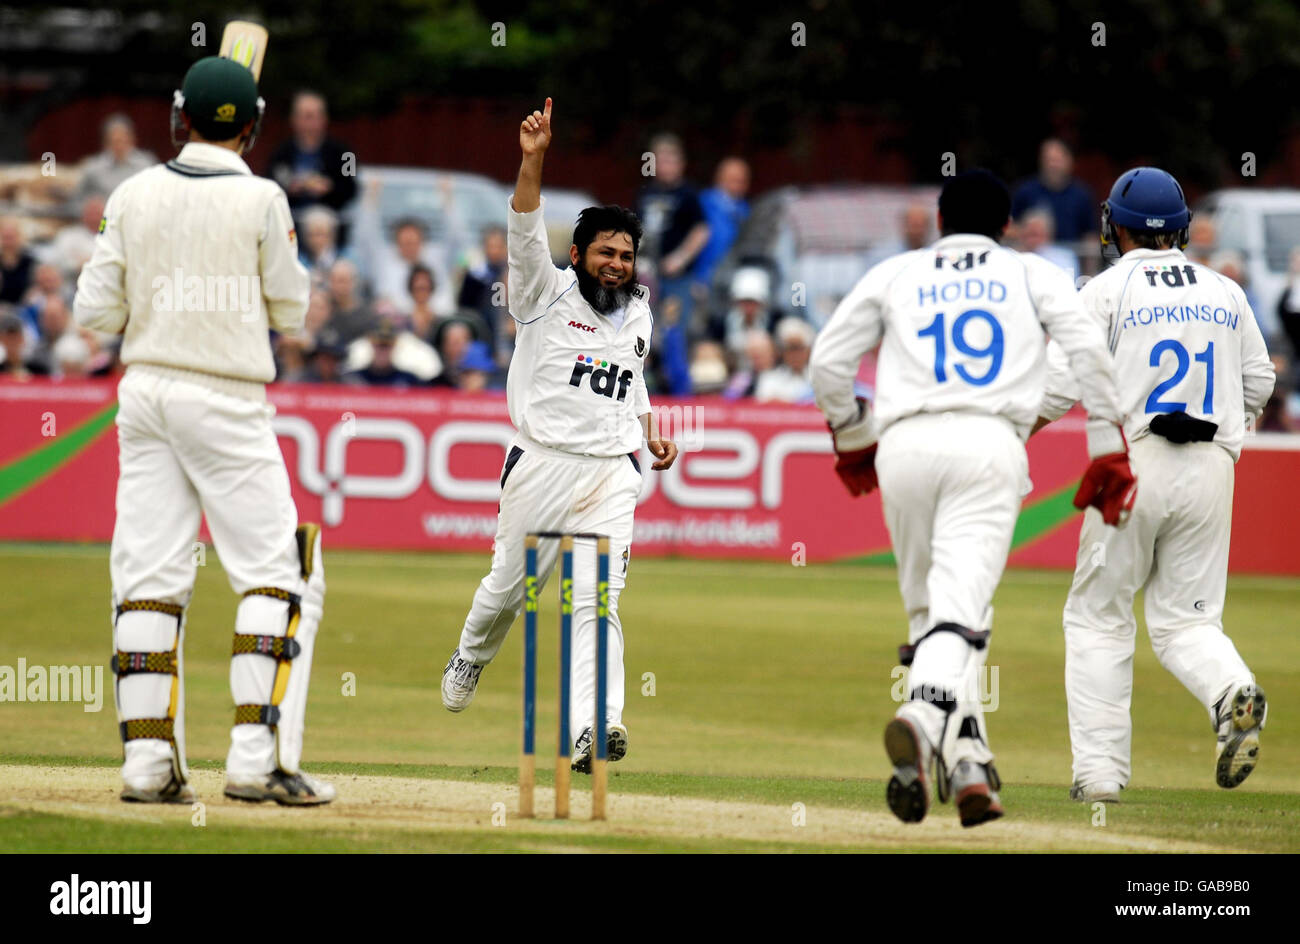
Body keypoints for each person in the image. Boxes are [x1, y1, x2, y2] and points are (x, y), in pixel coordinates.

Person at [810, 169, 1133, 827]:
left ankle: (968, 763)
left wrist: (850, 436)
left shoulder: (897, 272)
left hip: (903, 447)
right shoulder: (1032, 273)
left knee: (933, 614)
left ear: (939, 221)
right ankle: (924, 716)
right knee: (961, 609)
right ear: (1006, 226)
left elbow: (826, 364)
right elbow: (1087, 351)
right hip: (988, 445)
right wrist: (1106, 441)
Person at [72, 55, 334, 806]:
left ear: (179, 119)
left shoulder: (131, 193)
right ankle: (257, 761)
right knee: (281, 573)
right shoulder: (263, 200)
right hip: (224, 393)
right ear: (251, 128)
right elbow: (289, 309)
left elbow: (94, 313)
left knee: (149, 579)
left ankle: (147, 768)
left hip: (146, 392)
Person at [441, 98, 679, 777]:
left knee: (595, 602)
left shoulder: (638, 311)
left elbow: (630, 379)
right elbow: (524, 223)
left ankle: (594, 729)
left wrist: (650, 428)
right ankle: (471, 654)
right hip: (541, 466)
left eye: (626, 255)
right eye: (605, 252)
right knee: (507, 592)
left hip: (611, 473)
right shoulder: (541, 292)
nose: (616, 264)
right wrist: (533, 159)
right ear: (578, 255)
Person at [1034, 167, 1274, 803]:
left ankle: (1101, 776)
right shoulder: (1226, 291)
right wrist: (1226, 436)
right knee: (1187, 623)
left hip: (1133, 461)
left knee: (1098, 618)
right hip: (1211, 466)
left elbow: (1057, 386)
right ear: (1183, 228)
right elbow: (1260, 382)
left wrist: (1011, 431)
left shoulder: (1106, 289)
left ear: (1114, 226)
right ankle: (1230, 692)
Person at [636, 133, 709, 331]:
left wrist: (681, 257)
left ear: (681, 163)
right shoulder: (647, 193)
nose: (667, 166)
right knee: (645, 322)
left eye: (671, 160)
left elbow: (701, 230)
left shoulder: (688, 193)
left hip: (678, 276)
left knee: (675, 325)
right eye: (662, 160)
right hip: (649, 272)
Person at [264, 91, 357, 226]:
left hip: (331, 226)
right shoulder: (279, 153)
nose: (313, 122)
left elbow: (352, 187)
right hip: (289, 223)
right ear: (294, 119)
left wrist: (329, 187)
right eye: (308, 116)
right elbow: (271, 184)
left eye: (318, 116)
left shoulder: (346, 153)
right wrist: (294, 187)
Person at [1011, 138, 1096, 244]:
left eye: (1057, 160)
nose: (1052, 165)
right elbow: (1011, 228)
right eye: (1048, 160)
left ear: (1069, 161)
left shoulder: (1082, 195)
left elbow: (1090, 235)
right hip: (1032, 256)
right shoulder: (1025, 191)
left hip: (1070, 257)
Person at [693, 157, 752, 290]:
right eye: (732, 179)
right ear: (719, 178)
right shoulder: (702, 203)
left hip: (734, 281)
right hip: (702, 280)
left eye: (742, 180)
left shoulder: (745, 210)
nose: (738, 185)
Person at [77, 114, 157, 199]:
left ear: (132, 140)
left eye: (123, 140)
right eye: (115, 141)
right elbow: (76, 201)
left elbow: (158, 194)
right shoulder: (93, 168)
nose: (119, 146)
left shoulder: (147, 165)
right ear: (106, 143)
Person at [755, 317, 815, 403]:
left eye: (799, 348)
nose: (795, 354)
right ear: (782, 351)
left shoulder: (819, 379)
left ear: (808, 350)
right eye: (790, 348)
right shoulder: (769, 379)